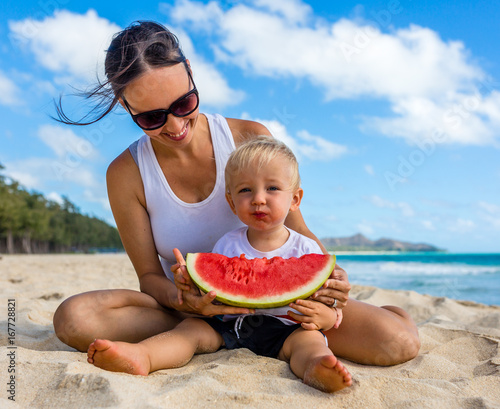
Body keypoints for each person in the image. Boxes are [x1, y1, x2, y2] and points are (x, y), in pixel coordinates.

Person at [53, 21, 420, 367]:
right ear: (124, 105)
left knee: (398, 342)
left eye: (184, 104)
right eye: (152, 118)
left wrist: (330, 277)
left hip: (286, 310)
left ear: (191, 72)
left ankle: (389, 313)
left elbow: (299, 231)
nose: (176, 126)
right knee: (74, 318)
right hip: (190, 313)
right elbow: (149, 277)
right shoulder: (125, 173)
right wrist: (187, 300)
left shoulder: (249, 138)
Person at [87, 137, 352, 393]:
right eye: (245, 190)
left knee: (310, 343)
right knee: (189, 332)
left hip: (287, 330)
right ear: (231, 202)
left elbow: (330, 306)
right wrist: (189, 282)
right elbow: (211, 292)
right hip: (229, 328)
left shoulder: (308, 250)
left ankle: (316, 369)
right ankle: (143, 356)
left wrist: (326, 318)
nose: (259, 198)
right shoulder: (227, 244)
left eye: (272, 188)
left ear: (295, 199)